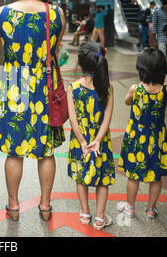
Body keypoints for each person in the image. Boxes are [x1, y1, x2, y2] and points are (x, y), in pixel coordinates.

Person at [0, 0, 66, 222]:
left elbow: (3, 48)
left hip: (14, 85)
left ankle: (13, 206)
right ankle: (45, 207)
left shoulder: (2, 13)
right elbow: (54, 53)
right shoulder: (56, 14)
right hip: (44, 87)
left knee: (14, 151)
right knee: (46, 151)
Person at [67, 42, 115, 230]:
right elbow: (108, 118)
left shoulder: (73, 88)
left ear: (80, 63)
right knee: (102, 179)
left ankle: (85, 213)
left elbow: (73, 119)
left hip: (81, 141)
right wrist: (97, 141)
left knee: (81, 177)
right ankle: (100, 218)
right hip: (100, 141)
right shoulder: (107, 87)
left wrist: (83, 142)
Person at [117, 48, 167, 220]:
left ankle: (130, 208)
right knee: (156, 175)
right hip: (157, 137)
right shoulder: (165, 91)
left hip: (137, 136)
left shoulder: (135, 89)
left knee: (133, 174)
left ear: (142, 69)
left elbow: (127, 102)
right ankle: (150, 209)